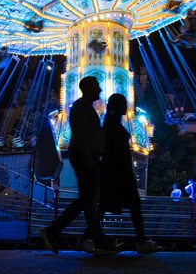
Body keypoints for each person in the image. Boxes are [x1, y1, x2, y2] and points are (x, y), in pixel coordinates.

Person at [39, 76, 120, 256]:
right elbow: (80, 135)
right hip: (87, 157)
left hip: (89, 156)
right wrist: (88, 159)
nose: (99, 90)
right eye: (96, 87)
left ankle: (57, 232)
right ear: (88, 88)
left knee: (87, 200)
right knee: (89, 200)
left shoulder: (85, 108)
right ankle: (95, 240)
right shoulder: (81, 107)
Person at [97, 93, 163, 254]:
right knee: (130, 206)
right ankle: (141, 241)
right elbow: (116, 152)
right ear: (117, 106)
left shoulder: (110, 124)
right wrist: (126, 172)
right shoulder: (113, 126)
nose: (126, 106)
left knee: (105, 206)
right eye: (123, 104)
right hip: (120, 174)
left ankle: (89, 238)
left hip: (115, 173)